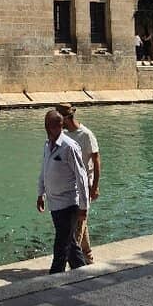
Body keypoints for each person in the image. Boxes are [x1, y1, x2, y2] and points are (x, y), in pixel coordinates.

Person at [36, 108, 89, 272]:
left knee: (61, 246)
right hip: (54, 204)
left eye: (60, 125)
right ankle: (83, 273)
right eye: (53, 126)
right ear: (47, 127)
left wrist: (83, 206)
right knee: (71, 245)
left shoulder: (69, 146)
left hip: (68, 204)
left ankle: (54, 277)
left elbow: (82, 177)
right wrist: (40, 193)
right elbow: (44, 170)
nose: (58, 129)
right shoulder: (47, 145)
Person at [55, 103, 101, 262]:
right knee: (80, 222)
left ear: (66, 118)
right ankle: (88, 256)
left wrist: (95, 187)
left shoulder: (86, 135)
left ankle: (74, 265)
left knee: (75, 232)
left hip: (84, 188)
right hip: (69, 189)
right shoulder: (64, 135)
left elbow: (96, 161)